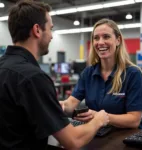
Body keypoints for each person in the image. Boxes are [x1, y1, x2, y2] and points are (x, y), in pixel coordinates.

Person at [0, 1, 109, 150]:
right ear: (37, 30)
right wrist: (99, 120)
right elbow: (73, 141)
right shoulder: (34, 78)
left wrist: (52, 107)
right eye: (50, 29)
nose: (51, 36)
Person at [60, 18, 142, 130]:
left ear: (118, 40)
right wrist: (60, 105)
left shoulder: (133, 74)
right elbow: (71, 102)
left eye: (106, 36)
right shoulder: (88, 73)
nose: (100, 42)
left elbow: (134, 120)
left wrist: (99, 117)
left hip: (127, 138)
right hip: (98, 134)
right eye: (96, 38)